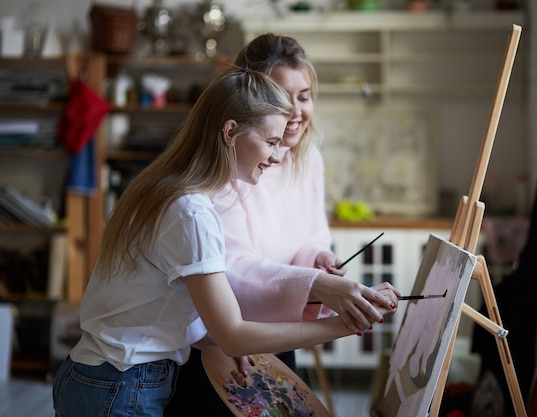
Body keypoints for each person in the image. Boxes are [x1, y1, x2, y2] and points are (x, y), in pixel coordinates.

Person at [52, 66, 398, 417]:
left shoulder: (163, 186)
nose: (277, 156)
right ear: (231, 131)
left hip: (96, 373)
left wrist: (221, 336)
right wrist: (343, 324)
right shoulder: (191, 212)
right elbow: (233, 334)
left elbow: (159, 305)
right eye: (271, 142)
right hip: (122, 384)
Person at [165, 34, 398, 416]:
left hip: (280, 331)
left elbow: (309, 235)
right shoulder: (229, 166)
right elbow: (231, 269)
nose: (295, 111)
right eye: (281, 97)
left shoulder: (309, 159)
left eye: (304, 96)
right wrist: (318, 284)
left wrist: (317, 259)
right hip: (216, 346)